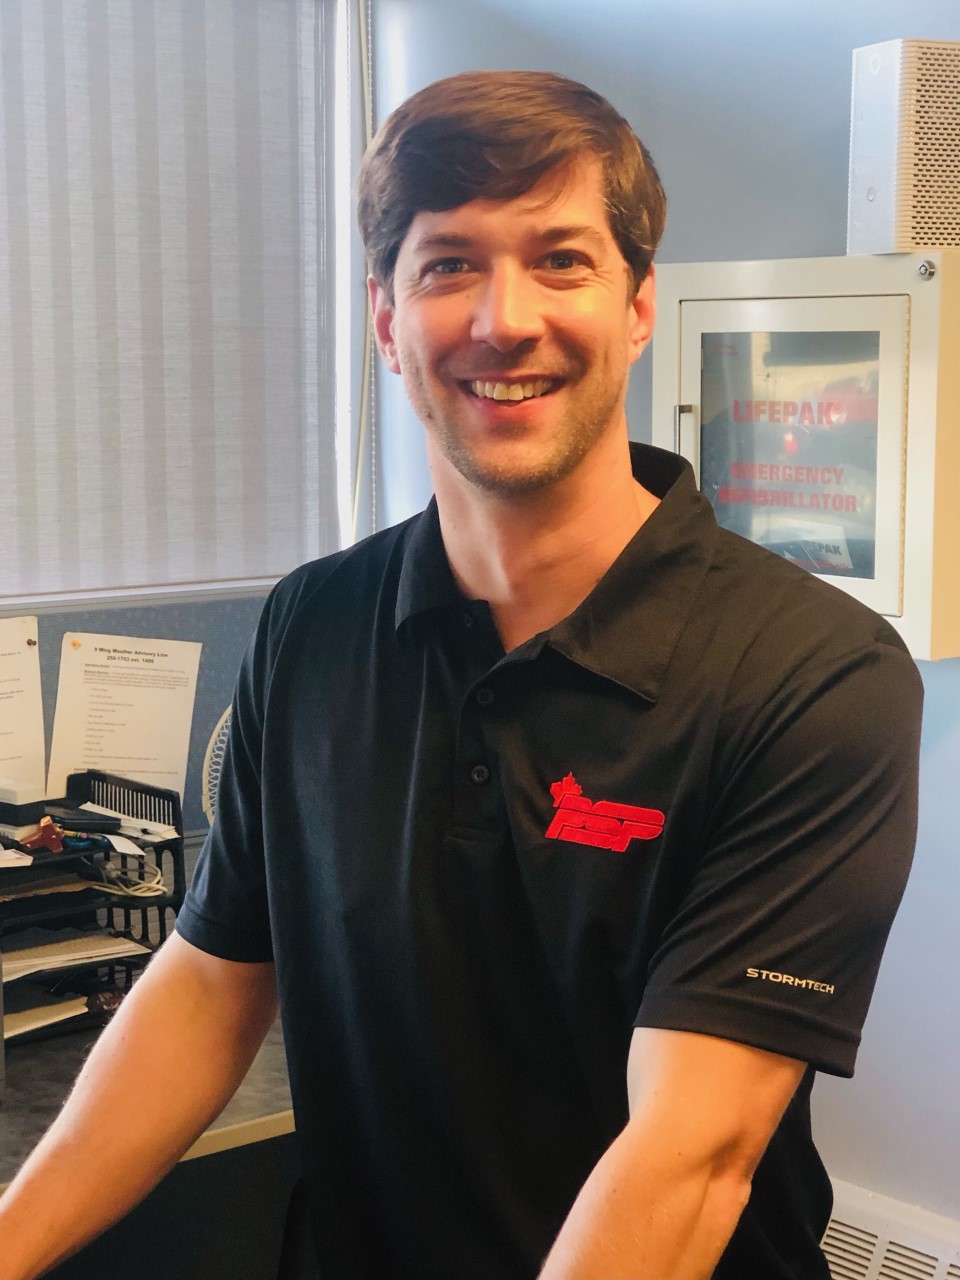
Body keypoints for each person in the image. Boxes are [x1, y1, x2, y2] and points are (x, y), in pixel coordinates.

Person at [0, 70, 922, 1280]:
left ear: (639, 303)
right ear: (387, 321)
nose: (504, 318)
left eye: (561, 259)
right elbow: (213, 984)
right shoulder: (312, 624)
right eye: (448, 264)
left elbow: (688, 1153)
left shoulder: (811, 675)